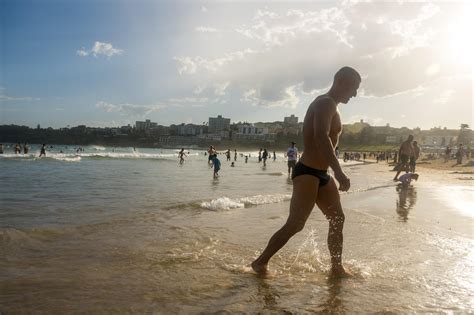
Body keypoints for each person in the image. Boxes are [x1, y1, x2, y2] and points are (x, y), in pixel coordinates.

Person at [251, 66, 361, 278]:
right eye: (353, 88)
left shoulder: (333, 107)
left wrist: (332, 171)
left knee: (338, 218)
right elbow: (321, 137)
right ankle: (260, 262)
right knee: (296, 224)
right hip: (308, 171)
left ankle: (336, 268)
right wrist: (339, 172)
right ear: (341, 82)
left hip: (321, 173)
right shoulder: (325, 103)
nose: (355, 94)